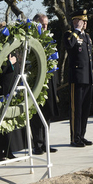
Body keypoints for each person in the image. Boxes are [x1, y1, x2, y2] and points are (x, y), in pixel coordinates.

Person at [31, 13, 60, 153]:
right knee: (37, 114)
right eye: (42, 24)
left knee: (47, 113)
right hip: (37, 81)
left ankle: (45, 143)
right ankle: (37, 143)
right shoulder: (31, 38)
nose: (45, 27)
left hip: (49, 80)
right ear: (36, 24)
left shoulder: (49, 38)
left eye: (47, 24)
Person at [65, 10, 93, 147]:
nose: (85, 23)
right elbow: (69, 46)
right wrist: (76, 30)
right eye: (82, 21)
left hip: (87, 77)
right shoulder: (70, 35)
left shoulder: (87, 37)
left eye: (86, 21)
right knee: (76, 110)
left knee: (85, 109)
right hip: (76, 77)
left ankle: (82, 135)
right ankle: (74, 138)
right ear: (75, 21)